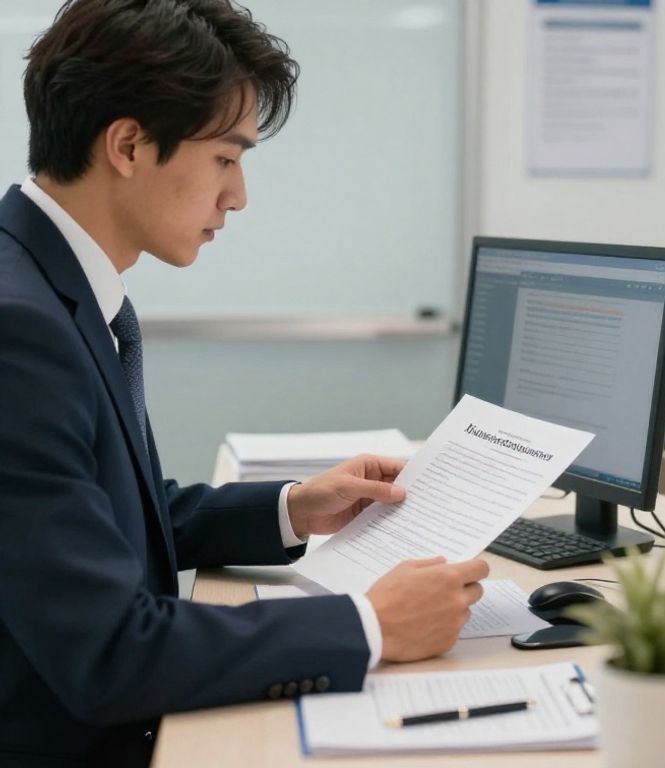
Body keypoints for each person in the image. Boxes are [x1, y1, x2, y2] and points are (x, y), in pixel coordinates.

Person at [0, 2, 488, 765]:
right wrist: (370, 625)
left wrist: (293, 508)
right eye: (226, 158)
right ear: (127, 144)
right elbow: (108, 655)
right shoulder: (18, 330)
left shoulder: (47, 287)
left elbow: (103, 512)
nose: (239, 196)